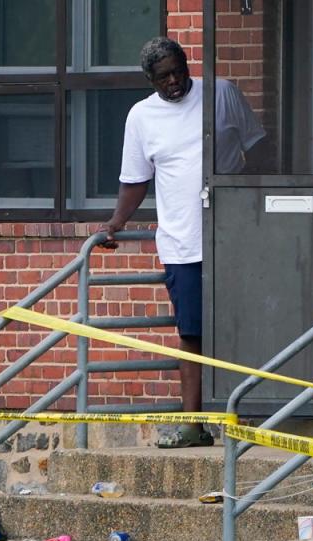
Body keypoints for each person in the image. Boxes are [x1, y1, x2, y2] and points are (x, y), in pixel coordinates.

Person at [98, 36, 267, 448]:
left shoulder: (222, 93)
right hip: (183, 242)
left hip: (237, 238)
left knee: (249, 326)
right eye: (163, 77)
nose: (174, 81)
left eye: (178, 71)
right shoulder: (141, 117)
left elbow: (261, 150)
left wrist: (257, 204)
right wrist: (115, 224)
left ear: (187, 64)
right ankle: (194, 424)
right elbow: (135, 180)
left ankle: (259, 417)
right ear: (150, 80)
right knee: (192, 333)